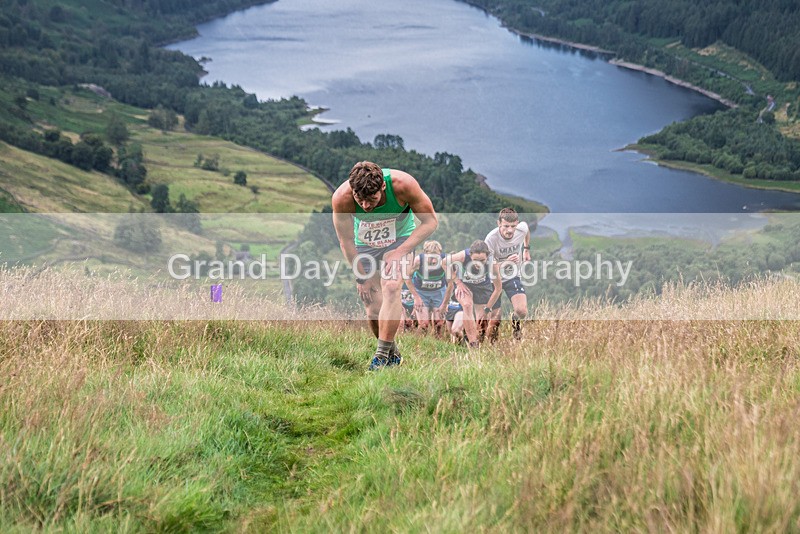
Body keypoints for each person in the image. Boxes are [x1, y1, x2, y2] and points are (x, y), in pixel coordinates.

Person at [332, 161, 438, 370]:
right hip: (365, 244)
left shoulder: (403, 185)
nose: (365, 206)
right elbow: (346, 241)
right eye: (359, 200)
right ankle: (392, 351)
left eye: (372, 199)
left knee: (391, 286)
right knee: (372, 306)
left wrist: (399, 252)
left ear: (382, 187)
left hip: (401, 239)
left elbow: (431, 222)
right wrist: (361, 278)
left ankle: (380, 356)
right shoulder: (341, 198)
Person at [484, 207, 531, 340]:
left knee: (522, 311)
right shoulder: (491, 239)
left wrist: (526, 249)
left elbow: (526, 229)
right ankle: (492, 347)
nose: (510, 230)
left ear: (517, 224)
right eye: (506, 226)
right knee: (495, 320)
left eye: (513, 226)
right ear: (499, 223)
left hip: (512, 276)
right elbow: (488, 267)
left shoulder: (521, 229)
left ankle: (515, 323)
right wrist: (506, 262)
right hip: (494, 278)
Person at [447, 240, 502, 347]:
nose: (478, 264)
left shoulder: (492, 264)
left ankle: (473, 341)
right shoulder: (463, 256)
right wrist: (458, 282)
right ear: (470, 255)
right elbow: (444, 262)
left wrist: (488, 308)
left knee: (482, 324)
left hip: (482, 288)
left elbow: (498, 289)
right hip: (466, 285)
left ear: (487, 257)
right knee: (467, 305)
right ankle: (473, 344)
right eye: (475, 260)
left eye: (482, 260)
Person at [402, 240, 452, 336]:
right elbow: (406, 277)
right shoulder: (418, 261)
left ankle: (438, 346)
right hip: (421, 293)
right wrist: (416, 297)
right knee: (424, 324)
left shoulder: (445, 261)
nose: (433, 261)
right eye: (430, 258)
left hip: (439, 292)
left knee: (439, 324)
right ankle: (418, 345)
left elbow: (450, 284)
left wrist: (445, 304)